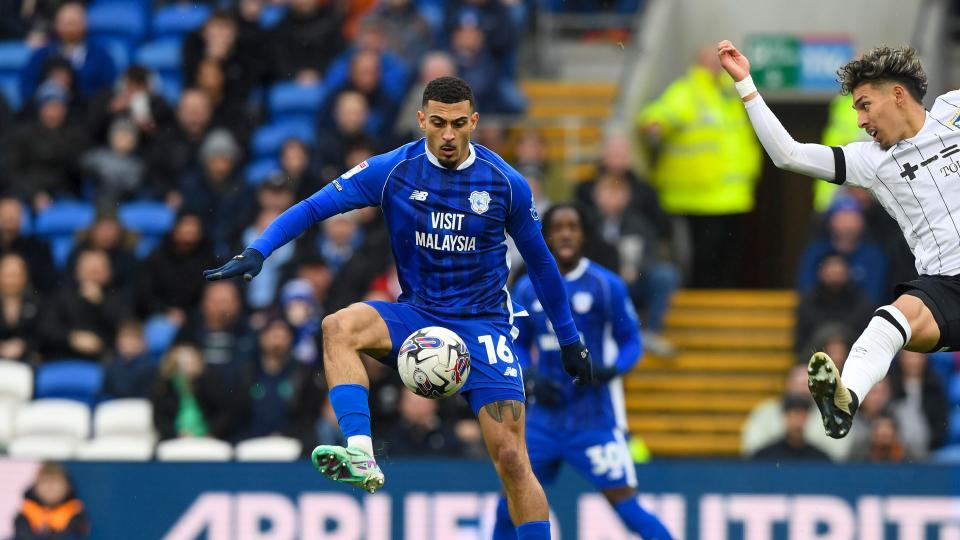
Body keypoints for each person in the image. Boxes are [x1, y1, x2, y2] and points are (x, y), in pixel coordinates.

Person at [205, 76, 595, 540]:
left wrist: (569, 339)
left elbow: (542, 264)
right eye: (437, 123)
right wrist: (259, 250)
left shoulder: (505, 184)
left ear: (473, 122)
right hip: (418, 316)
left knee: (512, 460)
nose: (447, 135)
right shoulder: (392, 170)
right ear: (421, 120)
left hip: (484, 325)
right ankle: (360, 452)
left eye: (457, 124)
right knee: (338, 327)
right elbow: (312, 207)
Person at [717, 41, 960, 440]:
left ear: (898, 95)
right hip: (948, 291)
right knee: (888, 321)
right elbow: (788, 154)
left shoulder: (953, 111)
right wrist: (746, 84)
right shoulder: (871, 161)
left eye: (865, 105)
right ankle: (845, 402)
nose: (860, 120)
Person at [495, 203, 672, 540]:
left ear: (584, 235)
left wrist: (610, 370)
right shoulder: (527, 288)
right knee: (509, 503)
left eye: (573, 227)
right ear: (545, 236)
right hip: (544, 418)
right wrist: (529, 376)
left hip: (594, 418)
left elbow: (631, 340)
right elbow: (517, 342)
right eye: (558, 227)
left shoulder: (606, 285)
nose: (565, 234)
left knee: (627, 506)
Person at [638, 44, 761, 288]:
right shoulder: (688, 91)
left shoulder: (728, 94)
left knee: (726, 258)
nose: (718, 66)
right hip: (698, 197)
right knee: (705, 261)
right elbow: (660, 113)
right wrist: (653, 124)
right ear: (699, 63)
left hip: (731, 197)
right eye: (713, 61)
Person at [14, 462, 90, 540]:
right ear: (35, 487)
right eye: (45, 481)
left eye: (55, 481)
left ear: (67, 486)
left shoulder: (76, 514)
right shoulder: (25, 515)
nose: (50, 487)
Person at [751, 394, 832, 462]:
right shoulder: (765, 456)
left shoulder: (819, 458)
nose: (798, 423)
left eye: (802, 417)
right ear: (785, 417)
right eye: (794, 416)